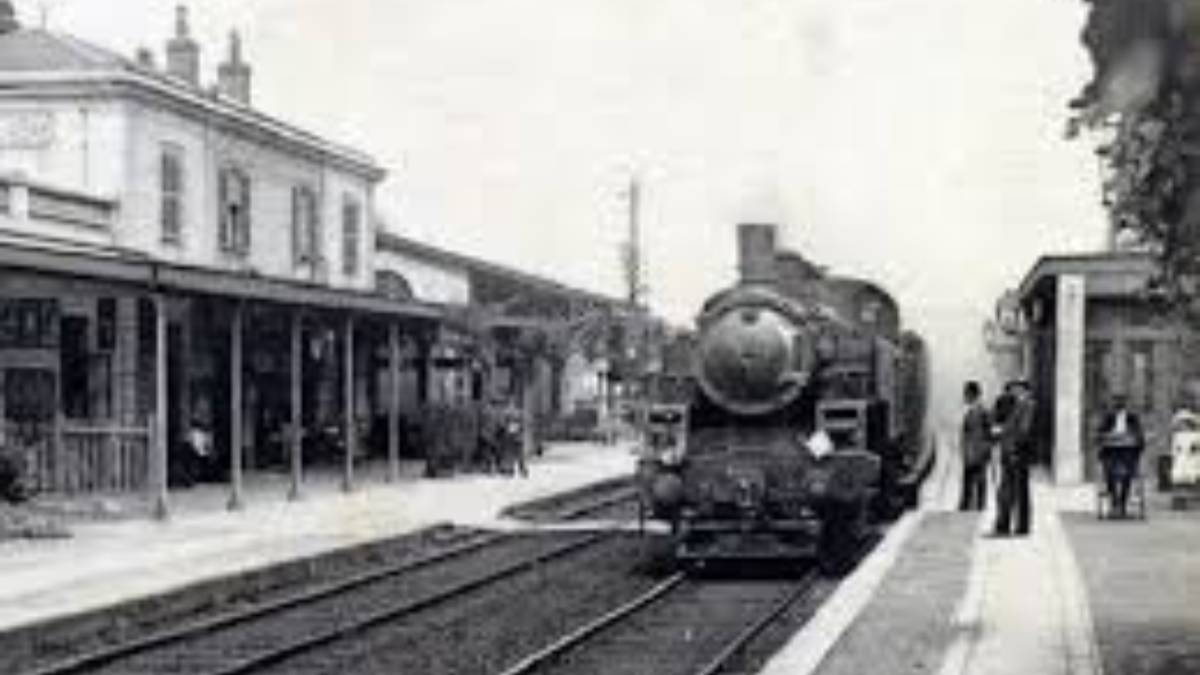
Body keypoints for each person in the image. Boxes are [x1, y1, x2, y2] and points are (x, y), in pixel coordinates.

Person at [993, 380, 1035, 536]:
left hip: (1017, 454)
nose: (1014, 392)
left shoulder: (1027, 405)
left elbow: (1023, 431)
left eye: (1016, 389)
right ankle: (1011, 525)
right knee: (1011, 490)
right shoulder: (1020, 405)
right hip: (1013, 452)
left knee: (1018, 490)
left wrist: (1013, 447)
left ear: (1023, 389)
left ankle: (1019, 526)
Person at [1098, 393, 1144, 518]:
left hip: (1128, 453)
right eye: (1117, 403)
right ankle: (1114, 503)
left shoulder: (1132, 418)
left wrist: (1131, 438)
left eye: (1121, 403)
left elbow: (1139, 434)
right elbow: (1100, 433)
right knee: (1109, 471)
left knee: (1127, 473)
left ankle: (1122, 504)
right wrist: (1109, 436)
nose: (1119, 406)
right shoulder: (1108, 417)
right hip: (1111, 453)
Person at [959, 381, 991, 511]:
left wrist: (983, 448)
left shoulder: (980, 410)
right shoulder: (976, 410)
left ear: (972, 394)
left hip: (977, 451)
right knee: (973, 479)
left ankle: (974, 506)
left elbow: (985, 432)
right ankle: (972, 505)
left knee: (976, 479)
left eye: (966, 394)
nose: (964, 397)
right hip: (974, 450)